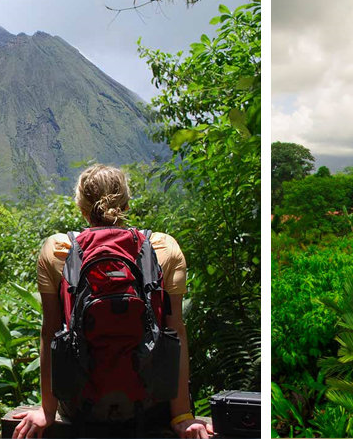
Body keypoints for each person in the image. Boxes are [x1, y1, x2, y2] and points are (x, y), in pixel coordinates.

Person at [12, 165, 212, 438]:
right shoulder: (163, 247)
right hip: (149, 403)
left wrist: (48, 410)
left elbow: (50, 333)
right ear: (127, 204)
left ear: (81, 208)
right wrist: (182, 415)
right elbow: (175, 330)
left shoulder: (58, 250)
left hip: (82, 406)